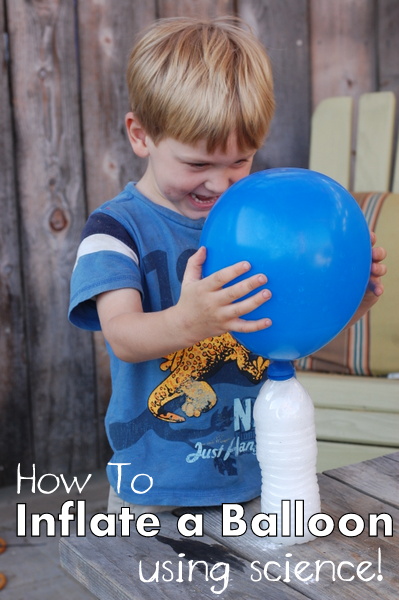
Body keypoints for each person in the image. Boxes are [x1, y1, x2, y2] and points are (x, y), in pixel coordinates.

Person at [69, 17, 386, 516]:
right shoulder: (118, 228)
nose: (220, 184)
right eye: (197, 165)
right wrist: (189, 321)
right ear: (141, 135)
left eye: (240, 162)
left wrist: (355, 298)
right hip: (157, 492)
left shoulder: (264, 227)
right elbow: (124, 336)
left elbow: (286, 334)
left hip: (264, 477)